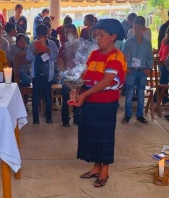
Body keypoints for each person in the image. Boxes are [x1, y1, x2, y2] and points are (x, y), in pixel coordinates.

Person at [76, 19, 126, 188]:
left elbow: (106, 81)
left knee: (105, 137)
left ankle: (105, 169)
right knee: (93, 135)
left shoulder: (117, 56)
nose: (97, 38)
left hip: (105, 104)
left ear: (113, 37)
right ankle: (96, 167)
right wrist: (77, 88)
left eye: (101, 35)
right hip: (90, 101)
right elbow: (85, 74)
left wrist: (85, 94)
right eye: (96, 34)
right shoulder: (94, 54)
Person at [122, 16, 153, 124]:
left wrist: (148, 68)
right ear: (133, 28)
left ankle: (140, 115)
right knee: (129, 94)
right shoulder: (128, 42)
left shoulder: (147, 43)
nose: (137, 30)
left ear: (144, 29)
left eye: (139, 28)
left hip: (142, 71)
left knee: (140, 93)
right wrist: (125, 68)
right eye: (135, 28)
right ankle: (127, 115)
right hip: (131, 71)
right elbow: (123, 56)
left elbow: (150, 57)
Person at [26, 24, 58, 124]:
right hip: (36, 74)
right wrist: (34, 53)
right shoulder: (32, 44)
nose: (42, 38)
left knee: (47, 95)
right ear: (37, 35)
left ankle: (48, 117)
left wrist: (49, 52)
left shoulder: (52, 44)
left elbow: (55, 57)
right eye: (40, 36)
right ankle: (35, 118)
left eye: (44, 36)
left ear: (47, 35)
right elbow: (28, 58)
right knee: (36, 95)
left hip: (48, 74)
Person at [57, 24, 79, 127]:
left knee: (78, 97)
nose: (68, 35)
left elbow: (84, 61)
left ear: (75, 33)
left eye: (70, 32)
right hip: (66, 77)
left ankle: (77, 118)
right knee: (66, 97)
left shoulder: (80, 46)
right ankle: (65, 120)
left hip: (78, 76)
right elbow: (60, 61)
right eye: (66, 33)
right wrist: (64, 73)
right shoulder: (63, 48)